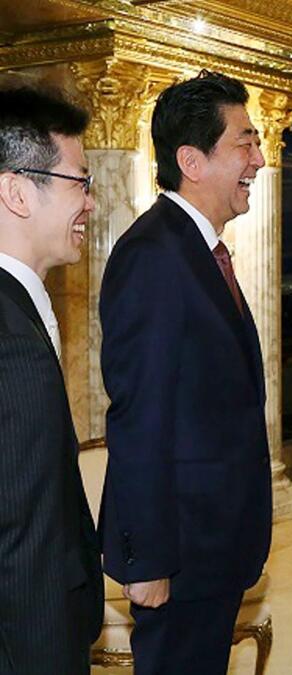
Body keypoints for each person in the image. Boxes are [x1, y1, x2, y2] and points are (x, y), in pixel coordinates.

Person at [99, 70, 272, 673]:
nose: (259, 159)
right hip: (180, 552)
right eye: (245, 143)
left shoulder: (196, 249)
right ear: (192, 162)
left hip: (212, 545)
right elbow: (139, 416)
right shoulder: (154, 255)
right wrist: (146, 561)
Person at [0, 86, 102, 675]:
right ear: (17, 191)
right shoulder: (13, 342)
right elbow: (22, 543)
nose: (90, 202)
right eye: (79, 182)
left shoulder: (21, 308)